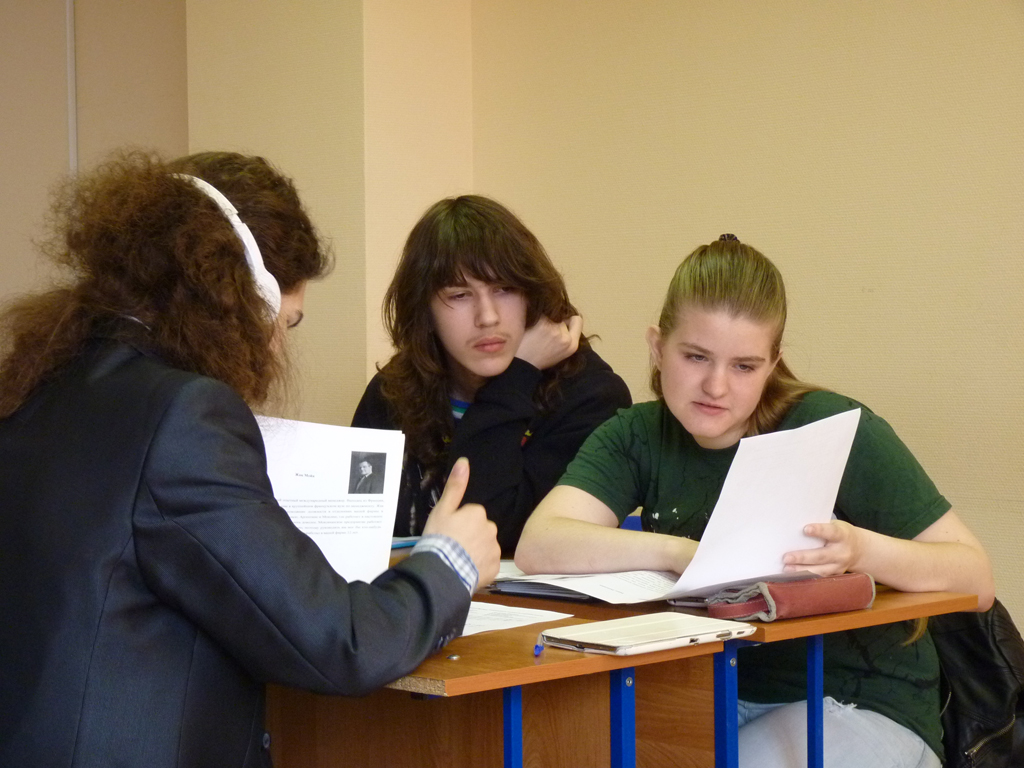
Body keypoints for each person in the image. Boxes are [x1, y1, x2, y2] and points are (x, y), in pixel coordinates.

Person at [0, 151, 500, 767]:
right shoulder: (185, 414)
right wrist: (450, 562)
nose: (279, 345)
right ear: (247, 298)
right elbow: (339, 643)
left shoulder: (42, 385)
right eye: (287, 321)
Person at [515, 235, 994, 768]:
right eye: (695, 357)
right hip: (713, 690)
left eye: (744, 366)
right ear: (656, 346)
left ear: (773, 363)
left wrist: (860, 550)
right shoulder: (636, 434)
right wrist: (679, 552)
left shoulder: (830, 427)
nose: (716, 386)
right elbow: (540, 544)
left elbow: (976, 580)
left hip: (859, 700)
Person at [352, 195, 632, 554]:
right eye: (460, 295)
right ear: (425, 310)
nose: (487, 317)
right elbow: (354, 529)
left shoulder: (591, 396)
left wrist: (518, 376)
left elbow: (498, 537)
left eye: (504, 289)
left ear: (532, 295)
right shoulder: (393, 392)